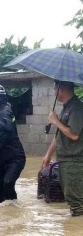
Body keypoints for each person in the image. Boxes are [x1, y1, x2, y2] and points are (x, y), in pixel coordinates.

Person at [42, 80, 83, 217]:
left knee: (76, 201)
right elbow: (59, 135)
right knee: (72, 198)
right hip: (66, 160)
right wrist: (48, 155)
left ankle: (77, 232)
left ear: (61, 90)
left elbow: (74, 135)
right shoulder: (67, 107)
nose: (54, 93)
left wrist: (56, 121)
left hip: (74, 161)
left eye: (55, 90)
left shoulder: (76, 108)